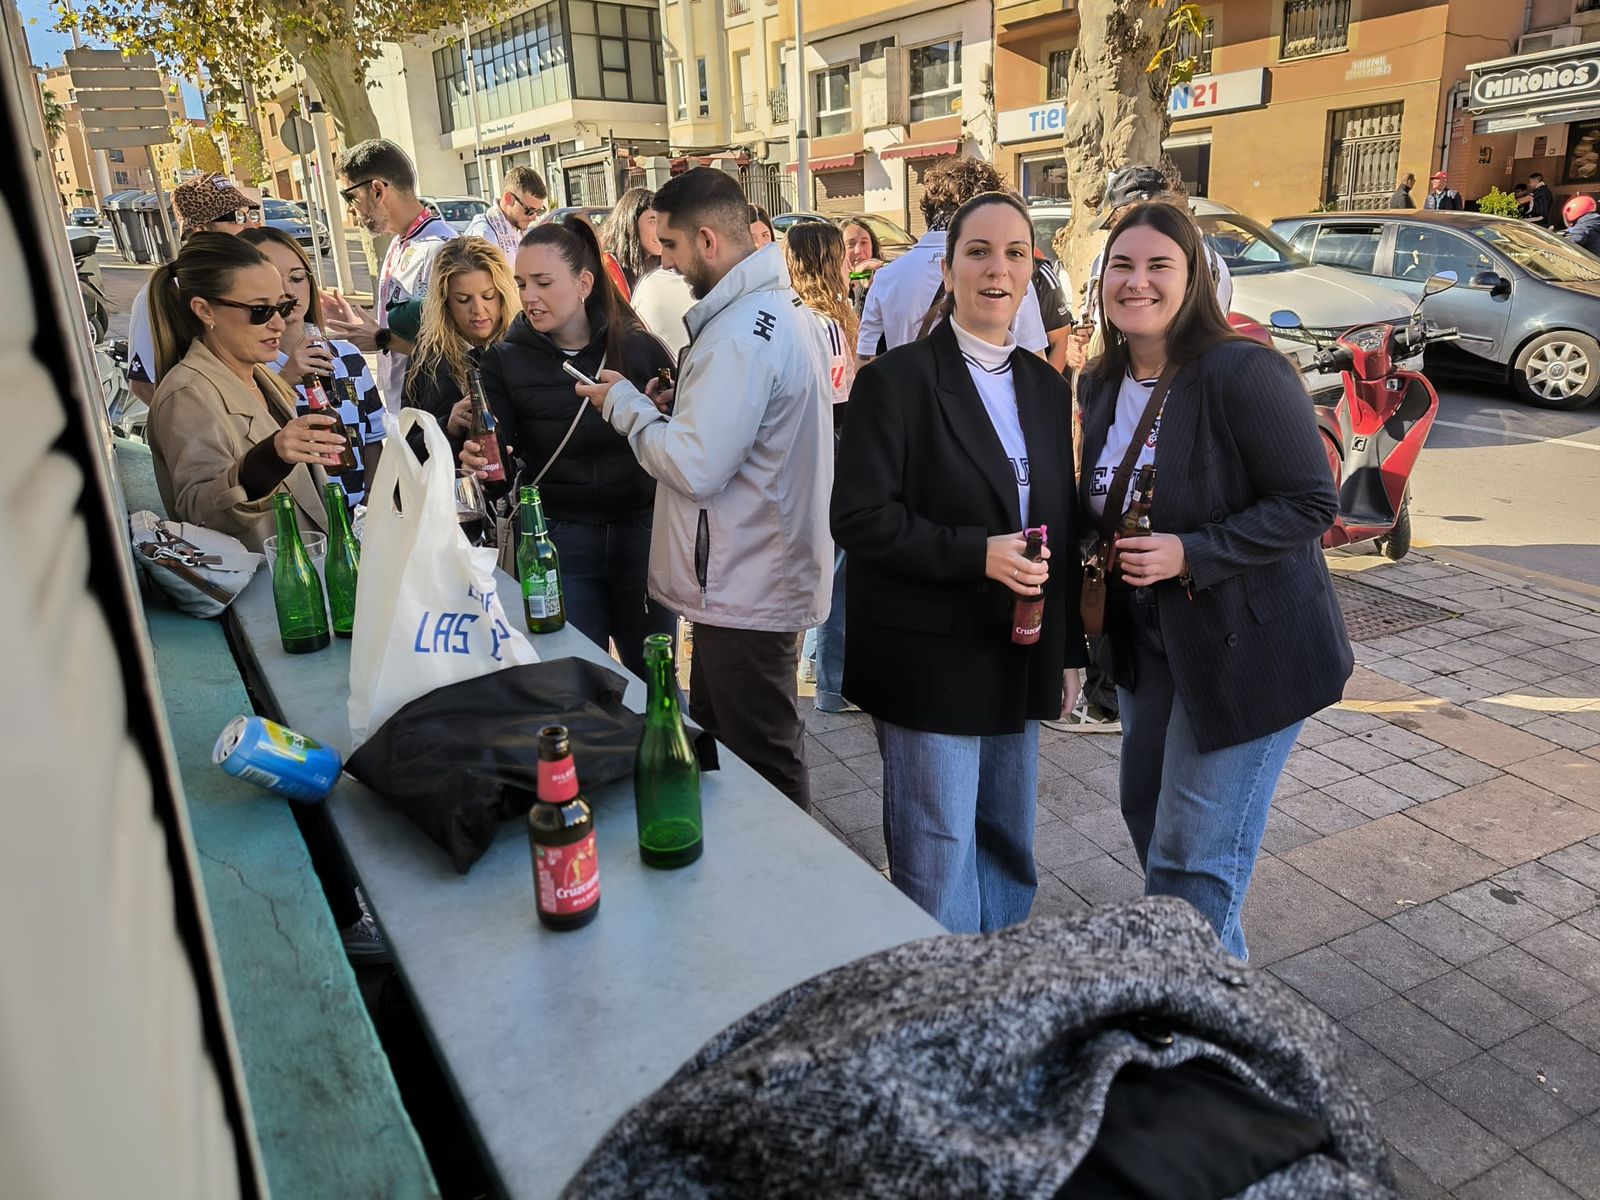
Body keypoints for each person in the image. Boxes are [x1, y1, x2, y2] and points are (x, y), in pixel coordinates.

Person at [1077, 200, 1352, 960]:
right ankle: (1217, 982)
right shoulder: (1101, 382)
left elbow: (1310, 504)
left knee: (1191, 857)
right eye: (1121, 267)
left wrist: (1191, 551)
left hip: (1247, 649)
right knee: (1147, 814)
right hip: (1150, 644)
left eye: (1158, 265)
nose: (1137, 282)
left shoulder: (1241, 370)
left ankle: (1201, 1030)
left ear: (1193, 277)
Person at [831, 191, 1087, 933]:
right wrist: (975, 554)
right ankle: (948, 996)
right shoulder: (897, 382)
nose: (996, 269)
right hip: (928, 655)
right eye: (978, 252)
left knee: (1008, 839)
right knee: (936, 847)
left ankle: (999, 975)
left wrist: (1070, 649)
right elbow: (860, 518)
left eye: (1015, 254)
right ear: (947, 270)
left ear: (1031, 271)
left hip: (1019, 648)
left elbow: (1059, 523)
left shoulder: (1044, 386)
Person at [571, 167, 834, 812]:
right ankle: (761, 881)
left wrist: (628, 408)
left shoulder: (742, 333)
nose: (667, 264)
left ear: (709, 240)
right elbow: (731, 438)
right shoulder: (774, 311)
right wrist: (673, 409)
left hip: (745, 583)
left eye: (672, 248)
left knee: (760, 757)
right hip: (754, 574)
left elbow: (694, 466)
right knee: (740, 743)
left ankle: (786, 887)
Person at [462, 218, 677, 679]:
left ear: (583, 284)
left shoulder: (637, 348)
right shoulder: (504, 359)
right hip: (557, 540)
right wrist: (471, 454)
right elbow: (495, 454)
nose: (530, 296)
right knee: (577, 679)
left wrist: (668, 407)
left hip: (642, 534)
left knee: (656, 678)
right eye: (521, 284)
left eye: (543, 282)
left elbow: (683, 438)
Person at [145, 232, 339, 550]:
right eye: (260, 311)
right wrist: (270, 457)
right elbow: (200, 513)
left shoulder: (256, 373)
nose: (279, 323)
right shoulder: (187, 394)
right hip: (263, 587)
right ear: (204, 310)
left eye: (283, 306)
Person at [240, 226, 387, 507]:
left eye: (297, 278)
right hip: (290, 517)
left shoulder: (347, 357)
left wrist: (375, 505)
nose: (286, 290)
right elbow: (246, 446)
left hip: (355, 514)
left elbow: (372, 441)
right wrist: (284, 382)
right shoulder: (245, 369)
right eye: (269, 280)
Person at [858, 157, 1049, 359]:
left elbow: (866, 364)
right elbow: (1035, 362)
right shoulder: (1007, 275)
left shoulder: (886, 277)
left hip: (907, 387)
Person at [323, 139, 456, 412]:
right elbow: (406, 328)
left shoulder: (442, 249)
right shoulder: (399, 242)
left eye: (350, 196)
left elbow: (457, 350)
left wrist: (382, 338)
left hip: (437, 416)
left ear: (377, 190)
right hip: (403, 411)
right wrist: (361, 326)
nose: (350, 208)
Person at [785, 222, 857, 714]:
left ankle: (815, 662)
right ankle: (831, 683)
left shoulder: (791, 314)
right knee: (836, 569)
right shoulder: (825, 322)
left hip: (800, 455)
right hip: (830, 451)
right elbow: (837, 400)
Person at [127, 172, 259, 404]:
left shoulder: (254, 280)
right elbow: (142, 383)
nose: (251, 226)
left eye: (250, 215)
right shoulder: (163, 293)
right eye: (236, 218)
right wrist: (195, 424)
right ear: (200, 230)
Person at [404, 235, 519, 454]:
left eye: (488, 296)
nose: (478, 309)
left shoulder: (522, 347)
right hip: (452, 484)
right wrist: (447, 426)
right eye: (463, 299)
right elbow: (406, 445)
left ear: (503, 294)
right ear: (444, 301)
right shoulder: (428, 356)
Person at [464, 165, 549, 262]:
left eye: (539, 211)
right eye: (529, 210)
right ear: (508, 198)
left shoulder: (518, 227)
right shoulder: (485, 235)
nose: (534, 217)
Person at [600, 187, 662, 300]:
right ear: (631, 224)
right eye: (653, 221)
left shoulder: (665, 266)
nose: (662, 229)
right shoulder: (608, 268)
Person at [840, 216, 885, 312]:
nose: (858, 251)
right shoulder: (833, 285)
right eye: (850, 244)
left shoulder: (884, 278)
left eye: (864, 243)